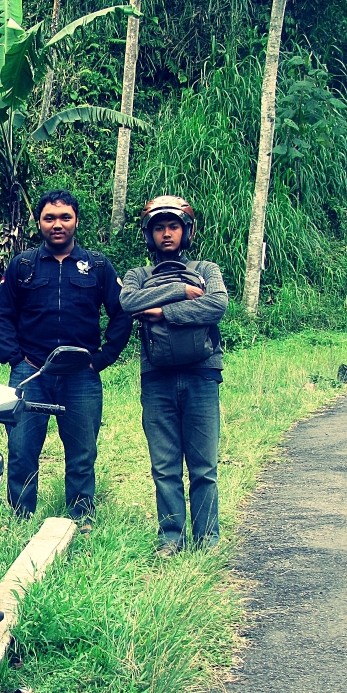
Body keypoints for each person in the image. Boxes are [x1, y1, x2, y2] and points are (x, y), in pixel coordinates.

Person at [0, 190, 133, 524]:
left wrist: (101, 359)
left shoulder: (97, 267)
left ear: (76, 221)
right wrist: (15, 358)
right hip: (31, 373)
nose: (58, 225)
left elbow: (123, 313)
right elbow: (3, 314)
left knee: (82, 452)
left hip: (80, 376)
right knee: (22, 451)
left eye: (65, 217)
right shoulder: (23, 265)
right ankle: (20, 517)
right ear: (39, 222)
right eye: (50, 218)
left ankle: (81, 518)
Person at [119, 195, 228, 555]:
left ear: (187, 231)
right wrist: (182, 293)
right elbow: (129, 303)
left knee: (204, 466)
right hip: (157, 377)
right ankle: (171, 538)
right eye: (159, 228)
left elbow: (216, 305)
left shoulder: (207, 268)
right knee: (164, 465)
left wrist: (161, 312)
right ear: (150, 235)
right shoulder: (137, 275)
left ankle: (208, 540)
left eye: (174, 226)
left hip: (202, 374)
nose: (167, 234)